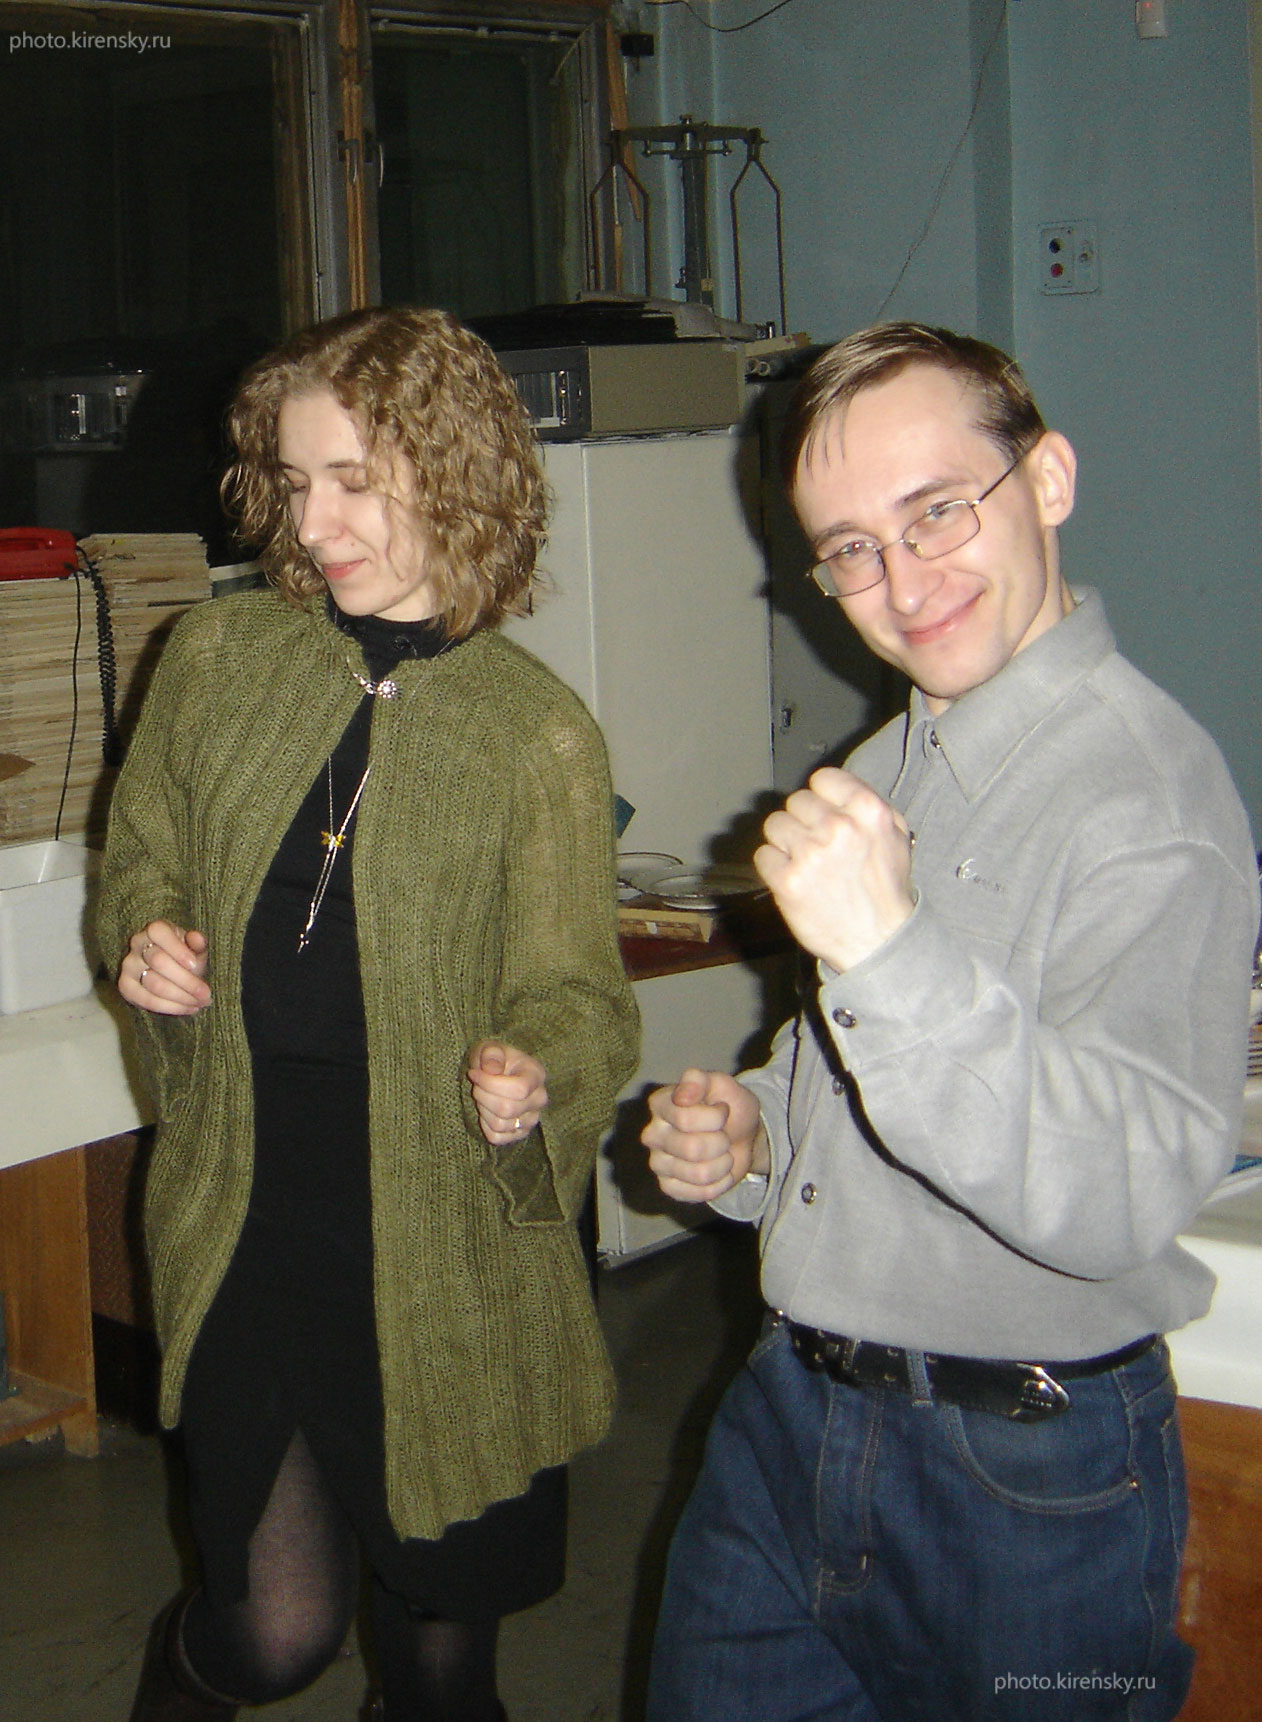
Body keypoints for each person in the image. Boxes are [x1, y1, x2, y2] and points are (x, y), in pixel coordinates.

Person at [641, 323, 1259, 1722]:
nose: (904, 582)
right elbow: (847, 1066)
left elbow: (1119, 1196)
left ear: (1047, 479)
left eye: (935, 512)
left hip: (1021, 1475)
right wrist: (756, 1135)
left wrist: (887, 944)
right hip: (790, 1415)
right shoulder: (890, 758)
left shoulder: (1148, 796)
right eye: (851, 548)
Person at [98, 305, 639, 1722]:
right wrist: (143, 939)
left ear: (454, 475)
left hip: (441, 1246)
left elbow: (580, 999)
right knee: (269, 1630)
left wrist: (537, 1070)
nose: (311, 521)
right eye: (293, 480)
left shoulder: (535, 735)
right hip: (246, 1216)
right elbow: (140, 856)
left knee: (441, 1658)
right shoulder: (220, 659)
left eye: (352, 480)